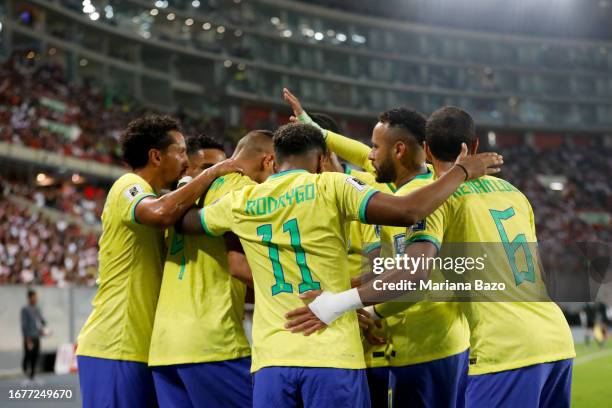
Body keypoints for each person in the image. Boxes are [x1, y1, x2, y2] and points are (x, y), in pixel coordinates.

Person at [179, 122, 502, 407]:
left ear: (275, 161)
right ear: (321, 160)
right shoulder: (331, 186)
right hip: (334, 354)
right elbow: (407, 211)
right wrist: (461, 172)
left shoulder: (242, 203)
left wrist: (198, 179)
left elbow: (183, 220)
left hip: (272, 358)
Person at [287, 107, 575, 408]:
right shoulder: (514, 194)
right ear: (474, 146)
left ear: (426, 148)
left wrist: (337, 304)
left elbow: (414, 274)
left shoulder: (434, 200)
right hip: (556, 340)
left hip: (505, 349)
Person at [286, 89, 470, 407]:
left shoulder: (419, 198)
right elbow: (359, 156)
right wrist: (312, 127)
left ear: (399, 150)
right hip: (412, 343)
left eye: (375, 147)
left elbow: (414, 279)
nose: (369, 155)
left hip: (428, 344)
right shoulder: (396, 188)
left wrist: (364, 308)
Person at [76, 115, 242, 408]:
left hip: (146, 350)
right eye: (179, 151)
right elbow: (159, 213)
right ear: (155, 156)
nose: (185, 159)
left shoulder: (164, 200)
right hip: (115, 344)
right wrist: (214, 172)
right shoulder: (129, 185)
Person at [149, 131, 275, 408]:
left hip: (164, 348)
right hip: (213, 343)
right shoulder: (239, 189)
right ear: (270, 161)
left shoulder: (179, 204)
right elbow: (238, 266)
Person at [21, 289, 46, 383]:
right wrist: (27, 338)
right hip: (29, 337)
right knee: (28, 356)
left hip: (36, 336)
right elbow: (24, 325)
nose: (36, 298)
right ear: (30, 297)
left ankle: (32, 376)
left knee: (35, 355)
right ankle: (26, 374)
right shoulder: (25, 309)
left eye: (36, 297)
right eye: (34, 296)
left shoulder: (37, 308)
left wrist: (44, 328)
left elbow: (41, 322)